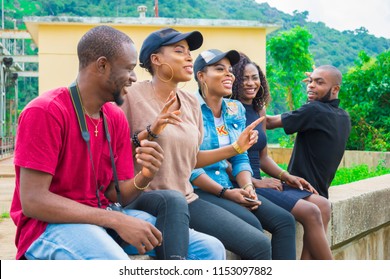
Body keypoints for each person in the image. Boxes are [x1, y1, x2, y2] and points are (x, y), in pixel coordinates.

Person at [10, 25, 223, 260]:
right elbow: (33, 201)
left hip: (101, 216)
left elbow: (115, 194)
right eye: (129, 69)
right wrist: (116, 219)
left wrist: (145, 176)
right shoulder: (46, 111)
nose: (133, 78)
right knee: (119, 265)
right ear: (102, 65)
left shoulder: (114, 117)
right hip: (47, 226)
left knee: (210, 249)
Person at [121, 27, 272, 259]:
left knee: (259, 244)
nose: (189, 56)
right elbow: (113, 151)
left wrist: (236, 148)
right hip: (145, 196)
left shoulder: (191, 103)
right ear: (156, 59)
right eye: (179, 51)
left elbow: (193, 160)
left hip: (186, 197)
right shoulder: (130, 96)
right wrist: (151, 131)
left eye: (189, 52)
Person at [190, 49, 297, 260]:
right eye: (219, 69)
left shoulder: (234, 108)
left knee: (285, 221)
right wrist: (226, 193)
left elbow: (240, 156)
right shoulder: (188, 108)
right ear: (201, 76)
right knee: (255, 231)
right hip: (200, 189)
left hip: (232, 186)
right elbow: (188, 165)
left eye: (230, 70)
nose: (229, 74)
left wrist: (248, 186)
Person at [231, 53, 335, 260]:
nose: (251, 83)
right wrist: (255, 182)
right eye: (244, 78)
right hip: (240, 182)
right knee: (311, 212)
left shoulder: (259, 109)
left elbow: (262, 157)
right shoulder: (228, 109)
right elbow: (223, 158)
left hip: (259, 180)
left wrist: (286, 176)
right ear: (233, 80)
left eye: (255, 77)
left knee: (323, 204)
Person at [266, 65, 351, 199]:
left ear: (335, 89)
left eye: (319, 82)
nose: (311, 85)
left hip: (298, 191)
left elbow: (268, 123)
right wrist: (320, 84)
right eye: (310, 81)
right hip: (320, 193)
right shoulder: (344, 116)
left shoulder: (315, 110)